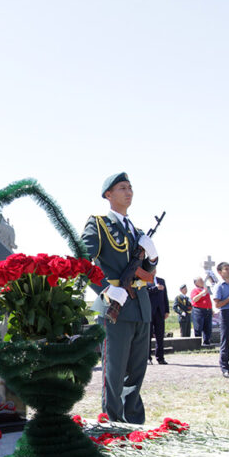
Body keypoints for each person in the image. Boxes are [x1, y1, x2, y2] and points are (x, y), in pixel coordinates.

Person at [81, 172, 158, 424]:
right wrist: (104, 288)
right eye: (122, 188)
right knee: (113, 372)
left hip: (140, 306)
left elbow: (146, 271)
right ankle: (113, 424)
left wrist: (153, 257)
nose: (129, 192)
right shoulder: (99, 224)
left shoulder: (136, 231)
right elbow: (81, 261)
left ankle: (134, 424)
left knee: (137, 371)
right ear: (108, 195)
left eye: (130, 188)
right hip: (114, 305)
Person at [147, 274, 169, 364]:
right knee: (148, 335)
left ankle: (160, 357)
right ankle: (148, 357)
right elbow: (144, 292)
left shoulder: (161, 280)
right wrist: (155, 288)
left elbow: (165, 296)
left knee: (160, 335)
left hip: (160, 312)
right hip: (149, 311)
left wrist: (167, 310)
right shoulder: (144, 280)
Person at [190, 276, 213, 345]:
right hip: (199, 310)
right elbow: (194, 299)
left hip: (208, 310)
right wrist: (202, 293)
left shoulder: (206, 290)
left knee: (208, 327)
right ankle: (197, 343)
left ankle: (207, 342)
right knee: (198, 327)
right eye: (200, 281)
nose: (203, 282)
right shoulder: (195, 290)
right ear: (196, 283)